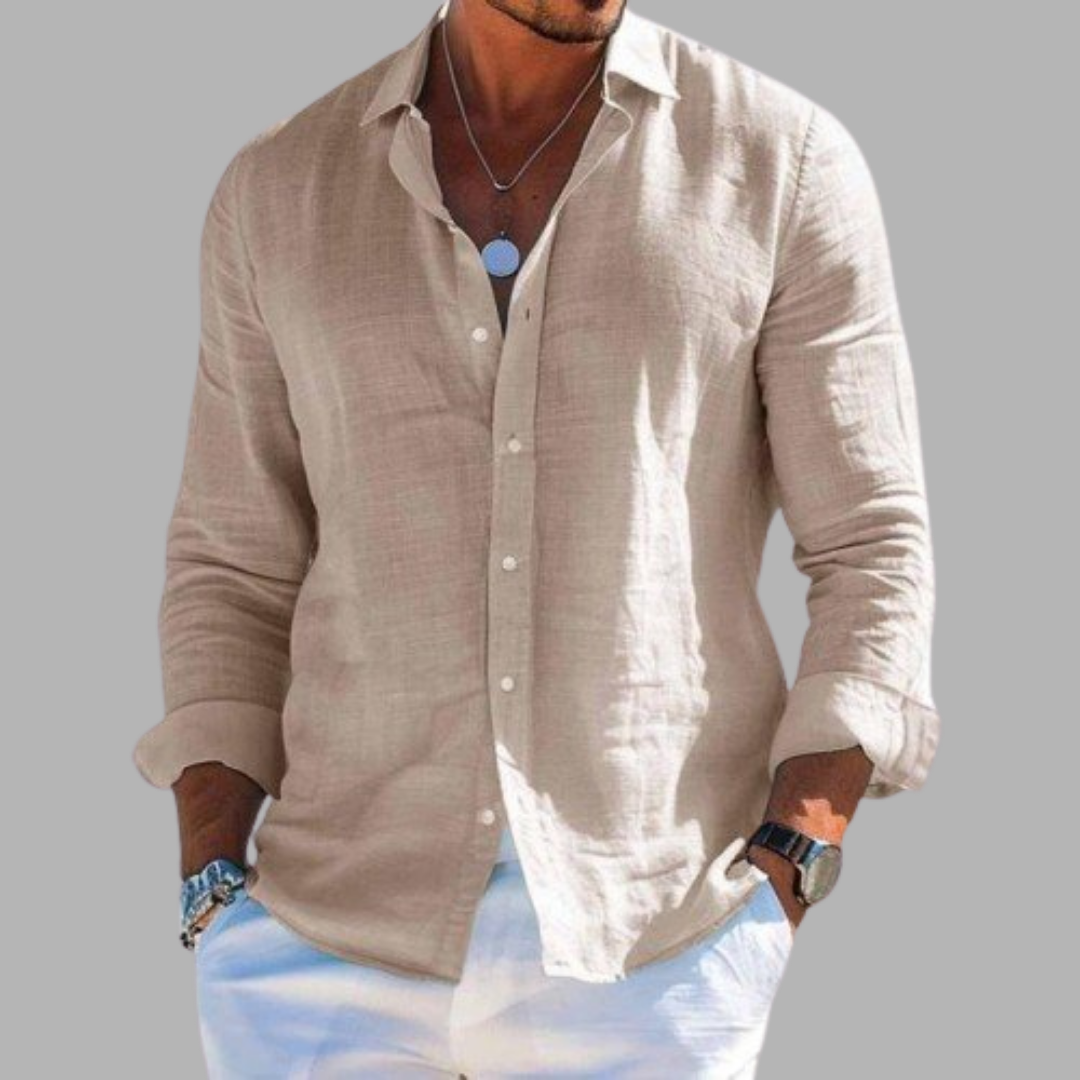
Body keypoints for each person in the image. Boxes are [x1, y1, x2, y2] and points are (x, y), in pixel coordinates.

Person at [132, 1, 943, 1075]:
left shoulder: (778, 160)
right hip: (319, 937)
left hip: (654, 943)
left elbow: (871, 540)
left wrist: (795, 858)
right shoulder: (279, 189)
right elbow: (231, 561)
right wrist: (213, 876)